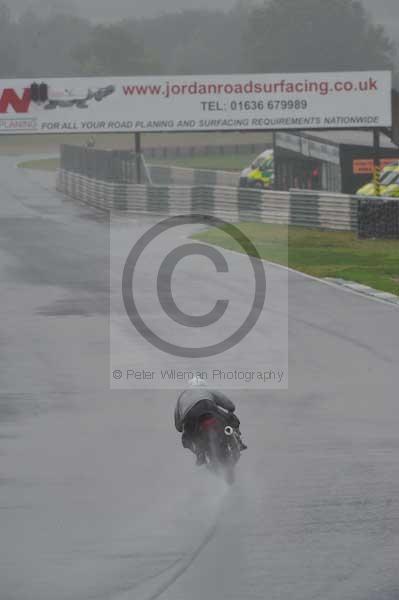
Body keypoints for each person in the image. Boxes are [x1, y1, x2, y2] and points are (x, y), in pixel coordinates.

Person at [174, 376, 247, 466]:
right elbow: (230, 406)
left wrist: (185, 429)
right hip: (208, 408)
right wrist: (229, 413)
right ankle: (238, 441)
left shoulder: (181, 396)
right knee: (232, 419)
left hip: (191, 417)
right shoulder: (207, 389)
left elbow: (178, 426)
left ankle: (199, 453)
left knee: (186, 439)